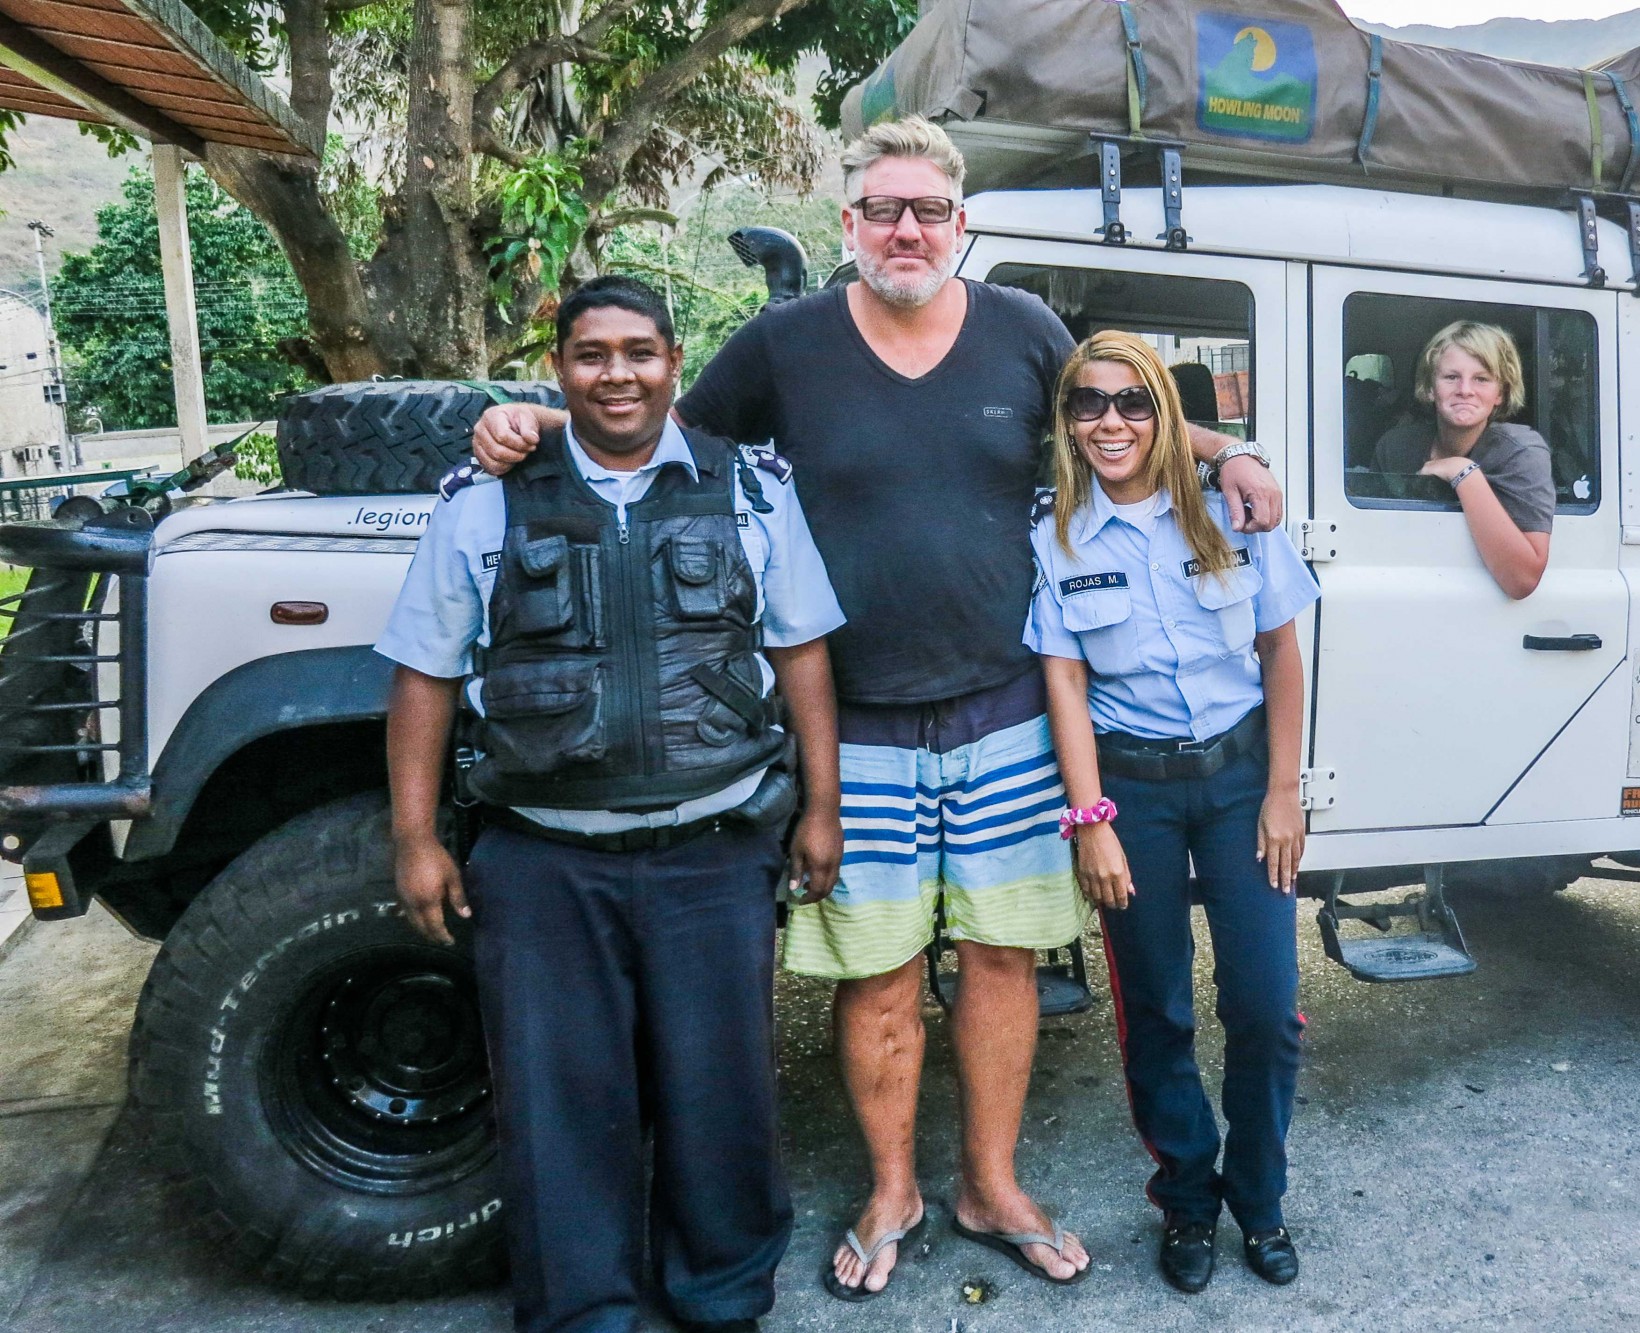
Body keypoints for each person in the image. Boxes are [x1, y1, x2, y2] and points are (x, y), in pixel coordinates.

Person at [469, 117, 1285, 1298]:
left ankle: (988, 1185)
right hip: (852, 722)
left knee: (1004, 960)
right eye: (882, 209)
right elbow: (657, 434)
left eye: (929, 211)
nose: (907, 228)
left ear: (962, 226)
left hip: (1007, 705)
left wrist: (1232, 455)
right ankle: (894, 1185)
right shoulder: (782, 344)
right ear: (846, 223)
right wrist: (538, 420)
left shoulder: (1021, 332)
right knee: (881, 973)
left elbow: (1126, 416)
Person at [379, 275, 847, 1333]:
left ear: (675, 364)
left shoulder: (751, 489)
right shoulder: (483, 498)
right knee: (556, 1104)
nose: (616, 372)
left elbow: (801, 645)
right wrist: (415, 838)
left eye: (639, 351)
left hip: (713, 849)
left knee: (719, 1090)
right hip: (543, 858)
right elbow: (423, 672)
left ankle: (721, 1292)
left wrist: (821, 805)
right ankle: (582, 1310)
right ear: (558, 367)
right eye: (591, 353)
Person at [1027, 330, 1319, 1294]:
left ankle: (1261, 1199)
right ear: (1068, 421)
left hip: (1242, 786)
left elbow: (1280, 652)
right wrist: (1090, 817)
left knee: (1267, 1008)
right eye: (1089, 404)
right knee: (1154, 1008)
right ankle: (1189, 1199)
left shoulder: (1233, 511)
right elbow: (1064, 682)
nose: (1111, 422)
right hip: (1135, 792)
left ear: (1164, 413)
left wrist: (1285, 791)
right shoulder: (1055, 531)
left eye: (1133, 403)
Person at [1373, 321, 1553, 598]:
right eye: (1451, 377)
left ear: (1500, 394)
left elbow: (1523, 580)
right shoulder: (1396, 447)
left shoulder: (1521, 452)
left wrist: (1462, 472)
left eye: (1481, 379)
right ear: (1430, 388)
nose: (1465, 390)